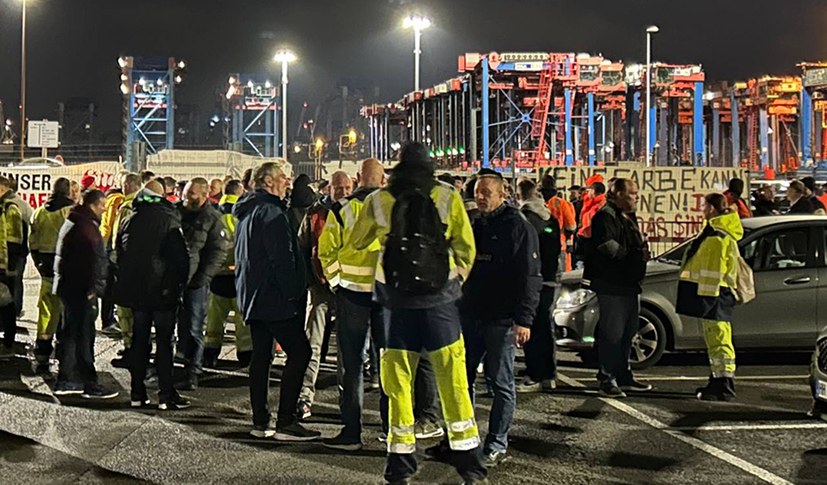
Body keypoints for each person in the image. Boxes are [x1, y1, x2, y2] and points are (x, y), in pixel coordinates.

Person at [350, 143, 486, 484]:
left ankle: (400, 465)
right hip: (440, 305)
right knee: (453, 380)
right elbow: (466, 248)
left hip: (396, 306)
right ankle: (470, 465)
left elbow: (356, 241)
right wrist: (452, 282)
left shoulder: (378, 200)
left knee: (397, 384)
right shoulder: (447, 196)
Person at [234, 161, 319, 441]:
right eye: (284, 178)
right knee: (301, 352)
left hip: (253, 296)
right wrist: (295, 291)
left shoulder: (247, 212)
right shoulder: (271, 213)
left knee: (261, 357)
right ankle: (286, 421)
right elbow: (282, 258)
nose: (288, 183)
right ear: (269, 182)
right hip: (275, 298)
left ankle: (261, 421)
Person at [461, 171, 541, 468]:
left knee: (502, 383)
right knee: (462, 380)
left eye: (486, 193)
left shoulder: (518, 226)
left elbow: (530, 276)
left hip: (502, 319)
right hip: (471, 314)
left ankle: (496, 442)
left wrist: (524, 319)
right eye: (478, 192)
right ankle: (465, 438)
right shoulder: (474, 222)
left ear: (502, 194)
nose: (480, 197)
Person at [319, 158, 388, 451]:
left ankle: (351, 433)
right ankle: (393, 430)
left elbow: (326, 252)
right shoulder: (394, 207)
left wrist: (337, 283)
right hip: (387, 297)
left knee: (352, 365)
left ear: (358, 178)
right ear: (383, 179)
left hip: (352, 295)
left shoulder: (342, 208)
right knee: (391, 364)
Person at [113, 181, 191, 410]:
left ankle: (137, 393)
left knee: (140, 342)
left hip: (137, 292)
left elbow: (119, 252)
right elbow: (181, 259)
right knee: (165, 343)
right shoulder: (169, 219)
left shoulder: (129, 218)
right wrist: (178, 287)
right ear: (161, 197)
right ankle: (166, 395)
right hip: (162, 292)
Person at [584, 178, 652, 398]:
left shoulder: (625, 217)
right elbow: (607, 247)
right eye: (632, 193)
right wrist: (632, 256)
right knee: (612, 334)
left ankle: (624, 375)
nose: (636, 197)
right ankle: (607, 378)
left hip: (628, 284)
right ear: (619, 194)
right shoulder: (606, 216)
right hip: (613, 284)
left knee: (627, 333)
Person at [297, 170, 352, 420]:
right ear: (328, 189)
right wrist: (311, 280)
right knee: (313, 345)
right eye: (338, 188)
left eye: (347, 188)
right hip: (320, 287)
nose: (343, 192)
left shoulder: (356, 211)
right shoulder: (315, 214)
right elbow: (303, 247)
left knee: (346, 350)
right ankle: (305, 397)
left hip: (347, 289)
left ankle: (347, 401)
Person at [676, 193, 742, 402]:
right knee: (716, 340)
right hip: (713, 294)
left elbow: (713, 270)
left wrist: (706, 298)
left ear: (712, 208)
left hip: (713, 294)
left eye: (704, 206)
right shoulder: (715, 232)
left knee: (720, 340)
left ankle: (724, 385)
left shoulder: (717, 236)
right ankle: (717, 380)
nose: (702, 210)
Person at [52, 189, 117, 399]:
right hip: (79, 290)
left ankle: (67, 379)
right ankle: (87, 382)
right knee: (82, 336)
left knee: (71, 334)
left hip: (70, 288)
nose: (104, 211)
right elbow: (87, 262)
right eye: (103, 207)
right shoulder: (85, 227)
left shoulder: (76, 221)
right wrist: (91, 290)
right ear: (94, 205)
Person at [176, 177, 230, 390]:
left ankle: (193, 370)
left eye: (192, 194)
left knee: (194, 327)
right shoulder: (176, 212)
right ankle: (179, 365)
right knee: (178, 325)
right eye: (186, 193)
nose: (186, 198)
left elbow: (218, 251)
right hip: (174, 281)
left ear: (205, 195)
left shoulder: (212, 218)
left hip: (195, 284)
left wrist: (202, 279)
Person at [515, 178, 560, 394]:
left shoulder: (524, 218)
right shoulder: (549, 216)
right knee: (545, 327)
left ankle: (534, 373)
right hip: (550, 278)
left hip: (532, 279)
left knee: (529, 327)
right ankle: (549, 373)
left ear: (519, 194)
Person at [203, 180, 251, 369]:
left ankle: (211, 354)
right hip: (240, 276)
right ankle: (246, 354)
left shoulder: (214, 214)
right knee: (242, 321)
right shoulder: (245, 215)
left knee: (213, 321)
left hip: (217, 276)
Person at [29, 178, 74, 373]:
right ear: (68, 192)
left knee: (46, 313)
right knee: (66, 313)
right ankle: (65, 358)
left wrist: (39, 264)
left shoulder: (40, 211)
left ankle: (42, 355)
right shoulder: (70, 212)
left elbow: (32, 242)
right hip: (66, 270)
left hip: (45, 268)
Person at [110, 173, 143, 366]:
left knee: (125, 310)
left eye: (123, 185)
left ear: (130, 185)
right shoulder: (148, 204)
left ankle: (131, 347)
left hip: (126, 266)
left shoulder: (126, 207)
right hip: (142, 266)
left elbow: (118, 238)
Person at [0, 177, 24, 359]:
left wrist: (10, 267)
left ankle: (8, 343)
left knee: (7, 305)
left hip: (3, 267)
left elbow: (15, 241)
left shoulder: (10, 209)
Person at [542, 174, 577, 272]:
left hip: (541, 245)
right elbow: (571, 226)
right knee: (561, 277)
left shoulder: (538, 204)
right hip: (559, 244)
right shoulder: (561, 203)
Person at [8, 178, 32, 318]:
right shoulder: (23, 205)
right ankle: (16, 310)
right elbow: (32, 223)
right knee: (17, 281)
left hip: (10, 251)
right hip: (19, 251)